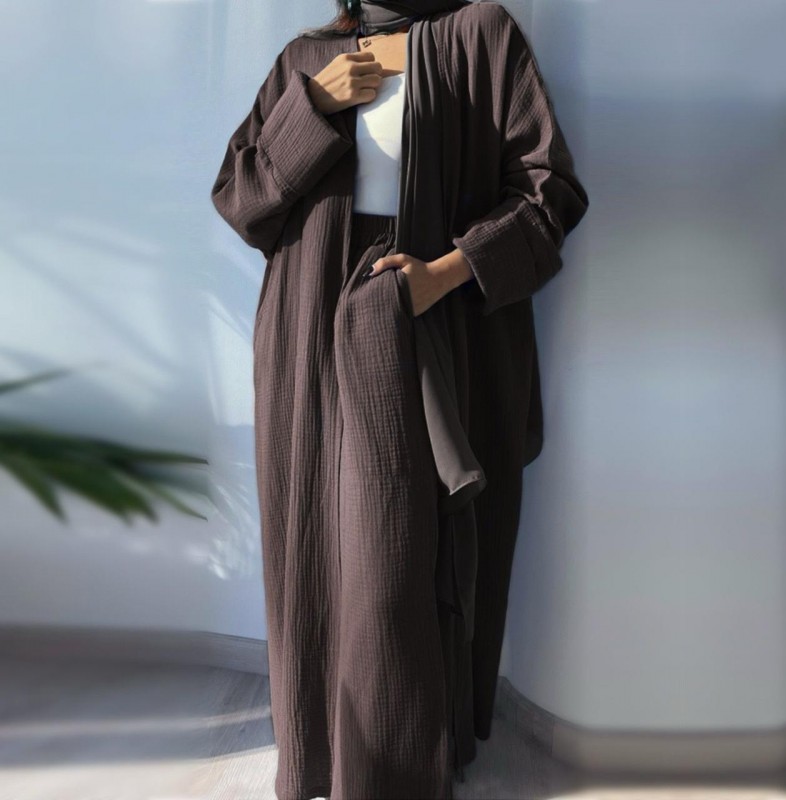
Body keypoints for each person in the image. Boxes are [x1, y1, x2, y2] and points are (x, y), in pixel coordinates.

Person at [209, 1, 589, 798]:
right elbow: (242, 200)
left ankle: (396, 768)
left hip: (429, 325)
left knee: (396, 560)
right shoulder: (306, 58)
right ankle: (321, 756)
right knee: (316, 543)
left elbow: (549, 194)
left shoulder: (482, 36)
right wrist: (314, 105)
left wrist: (443, 275)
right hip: (309, 335)